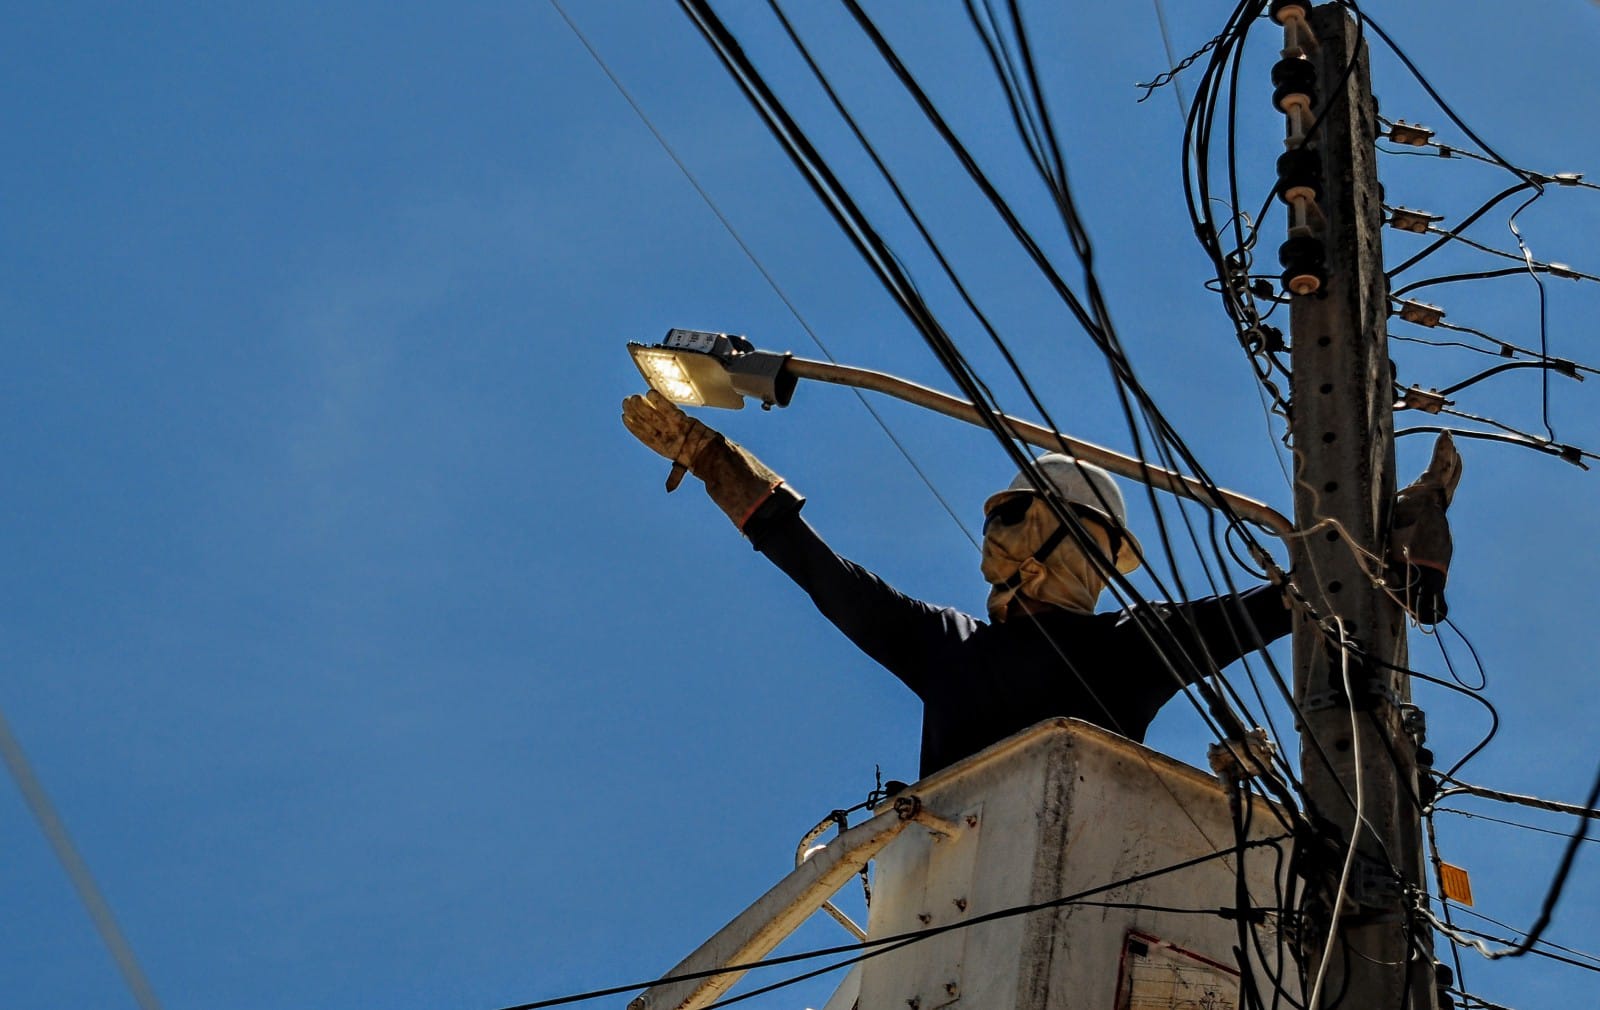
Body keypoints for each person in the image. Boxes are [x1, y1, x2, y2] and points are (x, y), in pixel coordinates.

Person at [623, 390, 1355, 778]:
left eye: (1009, 516)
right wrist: (716, 461)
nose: (992, 535)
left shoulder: (1123, 644)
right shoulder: (955, 643)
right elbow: (824, 573)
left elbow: (1276, 605)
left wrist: (1372, 549)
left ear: (1052, 540)